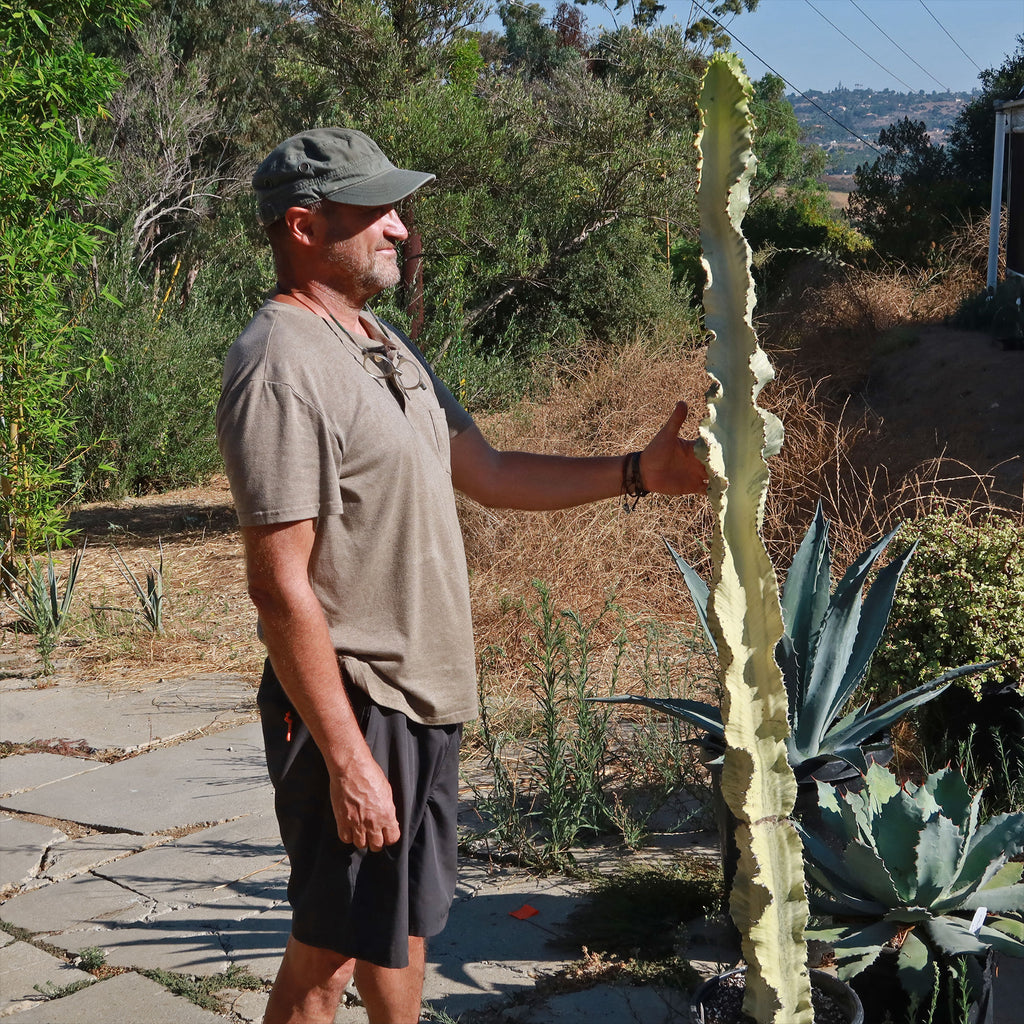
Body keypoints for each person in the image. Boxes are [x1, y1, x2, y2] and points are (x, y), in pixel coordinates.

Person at [216, 127, 707, 1024]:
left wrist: (639, 471)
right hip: (357, 695)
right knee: (327, 955)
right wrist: (346, 757)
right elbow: (277, 586)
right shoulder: (280, 366)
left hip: (423, 695)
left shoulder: (384, 344)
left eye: (398, 210)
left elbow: (487, 472)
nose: (402, 228)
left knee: (399, 928)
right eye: (377, 213)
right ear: (302, 225)